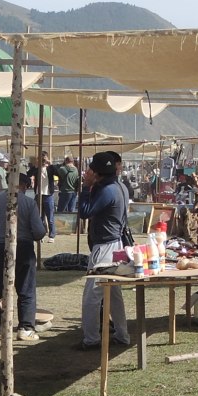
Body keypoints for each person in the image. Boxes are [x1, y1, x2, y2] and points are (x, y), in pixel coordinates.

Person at [0, 167, 49, 341]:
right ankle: (25, 327)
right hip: (24, 247)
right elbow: (39, 232)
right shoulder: (29, 203)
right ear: (24, 185)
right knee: (26, 288)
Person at [78, 150, 132, 349]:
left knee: (92, 297)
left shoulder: (106, 190)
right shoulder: (120, 187)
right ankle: (122, 334)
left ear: (96, 172)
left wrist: (86, 187)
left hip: (105, 247)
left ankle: (91, 339)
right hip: (117, 244)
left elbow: (85, 212)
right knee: (115, 295)